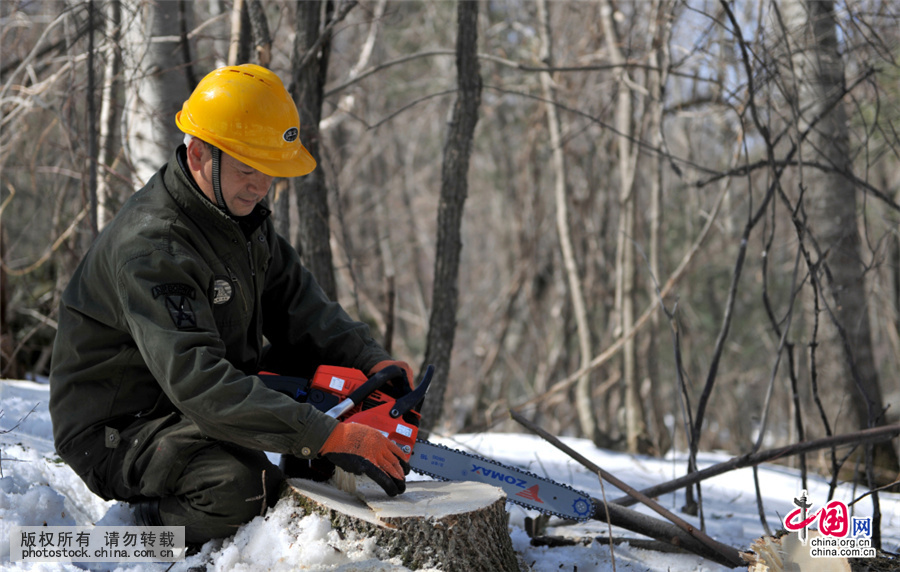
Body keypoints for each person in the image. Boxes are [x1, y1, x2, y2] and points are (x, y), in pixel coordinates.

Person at [49, 64, 415, 545]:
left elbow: (303, 308)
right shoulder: (153, 247)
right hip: (122, 427)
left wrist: (371, 364)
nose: (260, 186)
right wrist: (324, 434)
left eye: (270, 172)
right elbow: (198, 381)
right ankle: (136, 535)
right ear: (199, 152)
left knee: (331, 379)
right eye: (248, 169)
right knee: (241, 489)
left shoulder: (238, 215)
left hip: (191, 394)